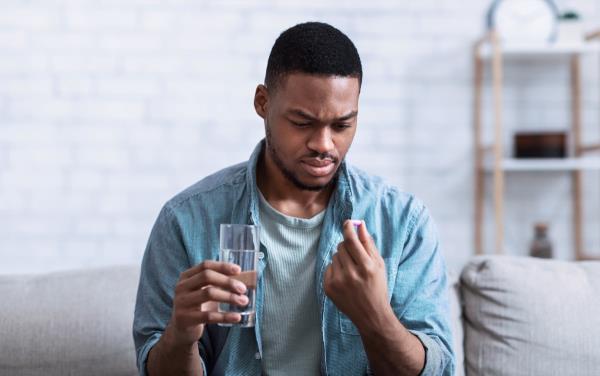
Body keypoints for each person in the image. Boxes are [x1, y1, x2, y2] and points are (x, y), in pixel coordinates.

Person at [133, 21, 454, 376]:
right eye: (302, 123)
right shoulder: (186, 220)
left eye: (342, 125)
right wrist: (180, 337)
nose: (324, 144)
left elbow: (439, 370)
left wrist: (375, 317)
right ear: (262, 103)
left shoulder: (403, 222)